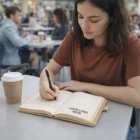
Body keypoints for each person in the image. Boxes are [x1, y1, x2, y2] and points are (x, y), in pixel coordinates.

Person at [40, 0, 140, 140]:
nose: (84, 26)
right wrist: (46, 84)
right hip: (76, 117)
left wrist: (86, 86)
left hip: (115, 122)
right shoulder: (74, 37)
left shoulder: (131, 44)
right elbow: (48, 70)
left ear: (112, 17)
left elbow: (137, 96)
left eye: (94, 20)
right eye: (80, 17)